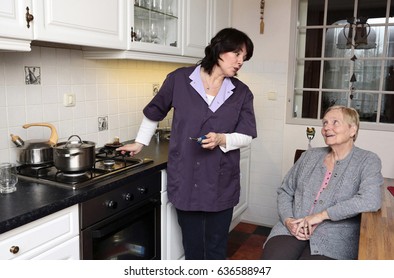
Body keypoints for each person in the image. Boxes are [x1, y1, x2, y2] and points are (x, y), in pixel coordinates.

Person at [116, 28, 257, 260]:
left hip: (221, 183)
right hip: (186, 178)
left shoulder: (241, 93)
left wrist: (223, 139)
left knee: (215, 248)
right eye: (237, 54)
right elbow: (154, 112)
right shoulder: (179, 79)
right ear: (220, 49)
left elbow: (247, 134)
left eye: (245, 57)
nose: (241, 61)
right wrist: (140, 142)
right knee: (192, 248)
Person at [261, 105, 384, 260]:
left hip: (335, 237)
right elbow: (285, 190)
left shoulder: (368, 160)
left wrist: (321, 216)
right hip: (293, 226)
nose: (327, 127)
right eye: (325, 123)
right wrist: (288, 220)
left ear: (352, 130)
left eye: (335, 122)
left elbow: (370, 199)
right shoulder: (309, 156)